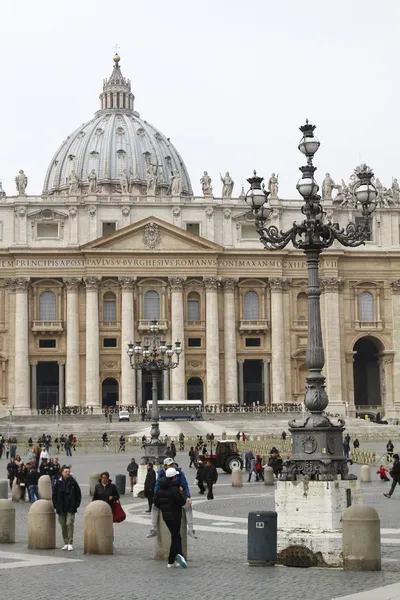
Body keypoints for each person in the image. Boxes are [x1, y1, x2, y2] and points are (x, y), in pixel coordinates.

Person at [147, 457, 196, 539]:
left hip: (176, 495)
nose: (172, 466)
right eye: (170, 465)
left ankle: (190, 529)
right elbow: (156, 486)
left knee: (188, 506)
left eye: (172, 464)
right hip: (169, 495)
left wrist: (188, 497)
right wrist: (156, 496)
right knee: (154, 506)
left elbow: (185, 485)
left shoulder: (179, 473)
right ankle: (153, 528)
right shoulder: (161, 473)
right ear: (165, 466)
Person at [153, 468, 187, 568]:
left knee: (176, 536)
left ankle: (177, 557)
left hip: (166, 517)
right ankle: (172, 559)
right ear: (174, 477)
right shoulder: (174, 489)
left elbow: (156, 503)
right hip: (175, 515)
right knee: (175, 537)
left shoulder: (160, 489)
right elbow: (182, 502)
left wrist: (164, 507)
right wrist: (182, 493)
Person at [52, 465, 82, 551]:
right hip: (61, 507)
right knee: (63, 525)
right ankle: (65, 542)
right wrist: (56, 506)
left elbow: (78, 494)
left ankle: (70, 542)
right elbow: (54, 495)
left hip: (70, 507)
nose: (67, 473)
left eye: (68, 471)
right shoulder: (58, 482)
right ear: (62, 473)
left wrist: (76, 505)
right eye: (66, 472)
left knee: (69, 523)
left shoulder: (73, 482)